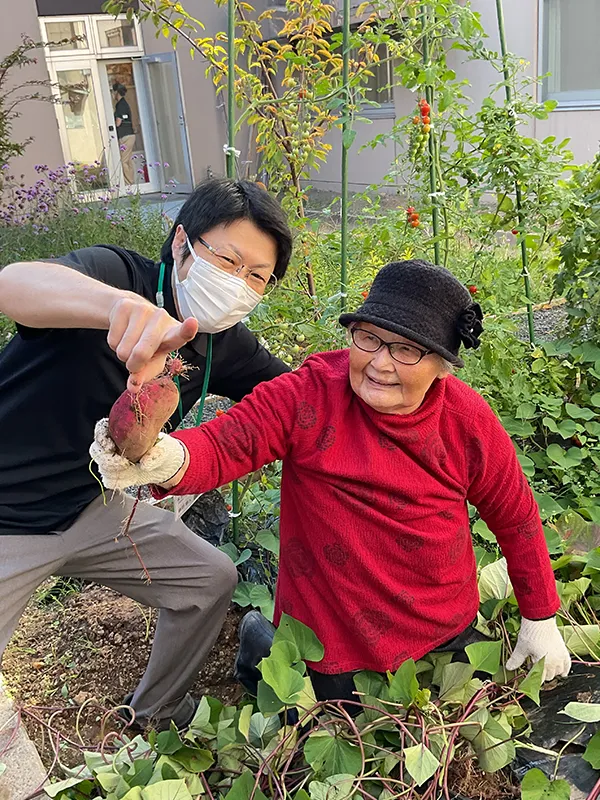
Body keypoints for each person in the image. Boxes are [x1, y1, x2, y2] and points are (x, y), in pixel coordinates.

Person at [91, 259, 572, 702]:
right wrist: (161, 458)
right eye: (368, 338)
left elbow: (516, 515)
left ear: (442, 366)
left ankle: (262, 634)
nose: (380, 363)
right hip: (333, 633)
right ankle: (262, 642)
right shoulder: (310, 394)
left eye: (406, 349)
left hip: (442, 620)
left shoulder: (466, 420)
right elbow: (225, 444)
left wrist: (540, 615)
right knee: (322, 726)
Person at [0, 178, 293, 730]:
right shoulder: (118, 276)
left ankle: (154, 713)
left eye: (257, 276)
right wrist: (116, 308)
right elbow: (14, 283)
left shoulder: (222, 343)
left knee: (210, 580)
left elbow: (295, 398)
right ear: (182, 243)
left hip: (92, 509)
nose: (239, 284)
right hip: (7, 520)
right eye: (228, 260)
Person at [112, 83, 136, 185]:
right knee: (128, 160)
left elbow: (118, 122)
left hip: (125, 136)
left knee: (123, 161)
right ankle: (131, 181)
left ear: (116, 92)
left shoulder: (120, 105)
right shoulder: (125, 104)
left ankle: (128, 183)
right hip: (130, 135)